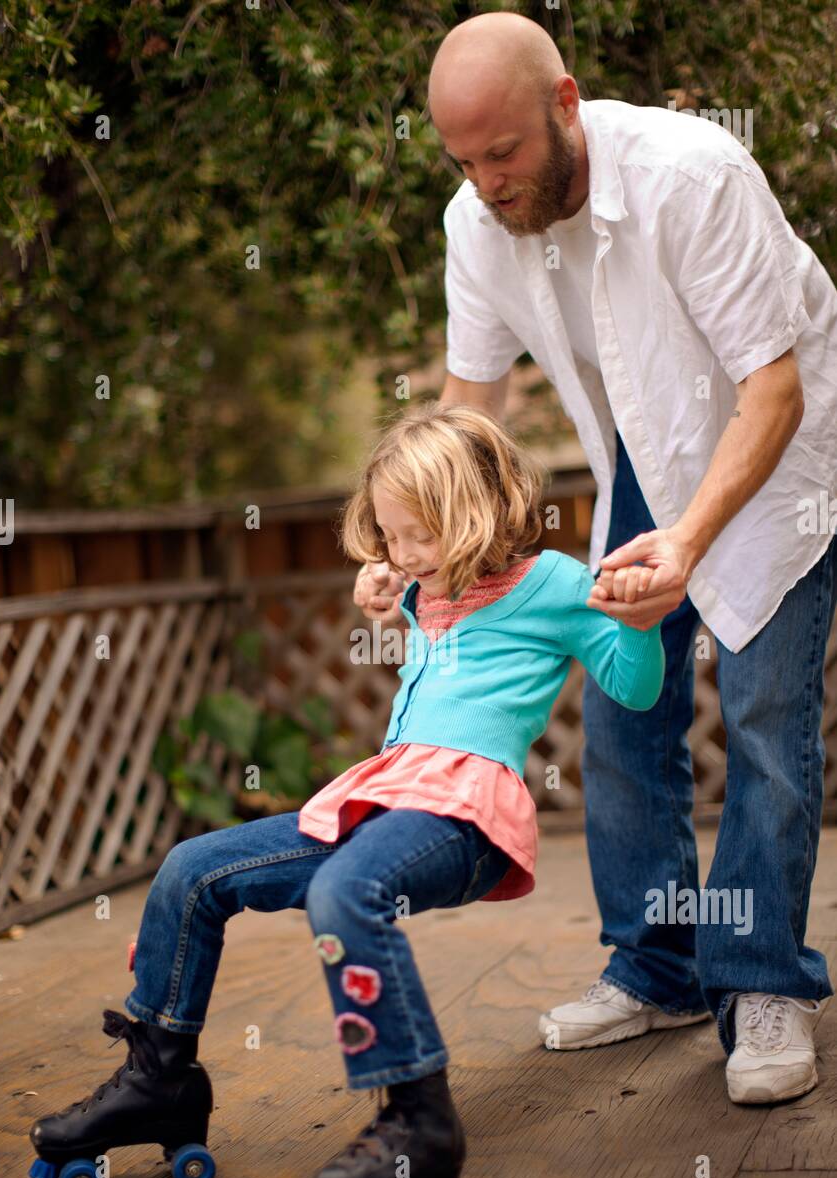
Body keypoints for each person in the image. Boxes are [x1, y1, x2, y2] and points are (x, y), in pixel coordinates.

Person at [29, 402, 665, 1178]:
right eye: (388, 536)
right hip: (382, 794)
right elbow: (401, 594)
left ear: (480, 514)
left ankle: (418, 1119)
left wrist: (645, 625)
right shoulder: (425, 581)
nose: (401, 555)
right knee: (192, 869)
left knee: (345, 892)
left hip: (465, 813)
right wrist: (383, 586)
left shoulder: (551, 582)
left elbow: (636, 685)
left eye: (417, 537)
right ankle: (160, 1077)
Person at [355, 12, 837, 1104]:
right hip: (638, 446)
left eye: (504, 153)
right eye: (461, 160)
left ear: (564, 103)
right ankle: (655, 964)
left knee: (761, 716)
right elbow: (468, 415)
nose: (484, 183)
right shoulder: (472, 223)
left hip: (780, 444)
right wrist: (414, 546)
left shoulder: (692, 176)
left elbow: (773, 388)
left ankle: (760, 977)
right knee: (623, 711)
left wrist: (690, 540)